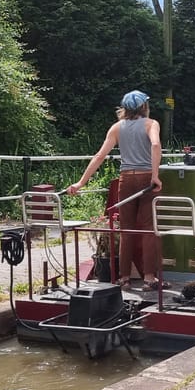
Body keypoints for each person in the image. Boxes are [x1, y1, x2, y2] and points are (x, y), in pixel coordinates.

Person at [67, 90, 168, 291]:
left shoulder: (116, 128)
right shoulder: (151, 124)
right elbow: (155, 145)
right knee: (149, 230)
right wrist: (155, 175)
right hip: (146, 179)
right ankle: (149, 278)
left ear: (125, 109)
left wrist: (80, 183)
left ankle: (124, 279)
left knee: (126, 230)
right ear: (144, 107)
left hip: (126, 180)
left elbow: (99, 156)